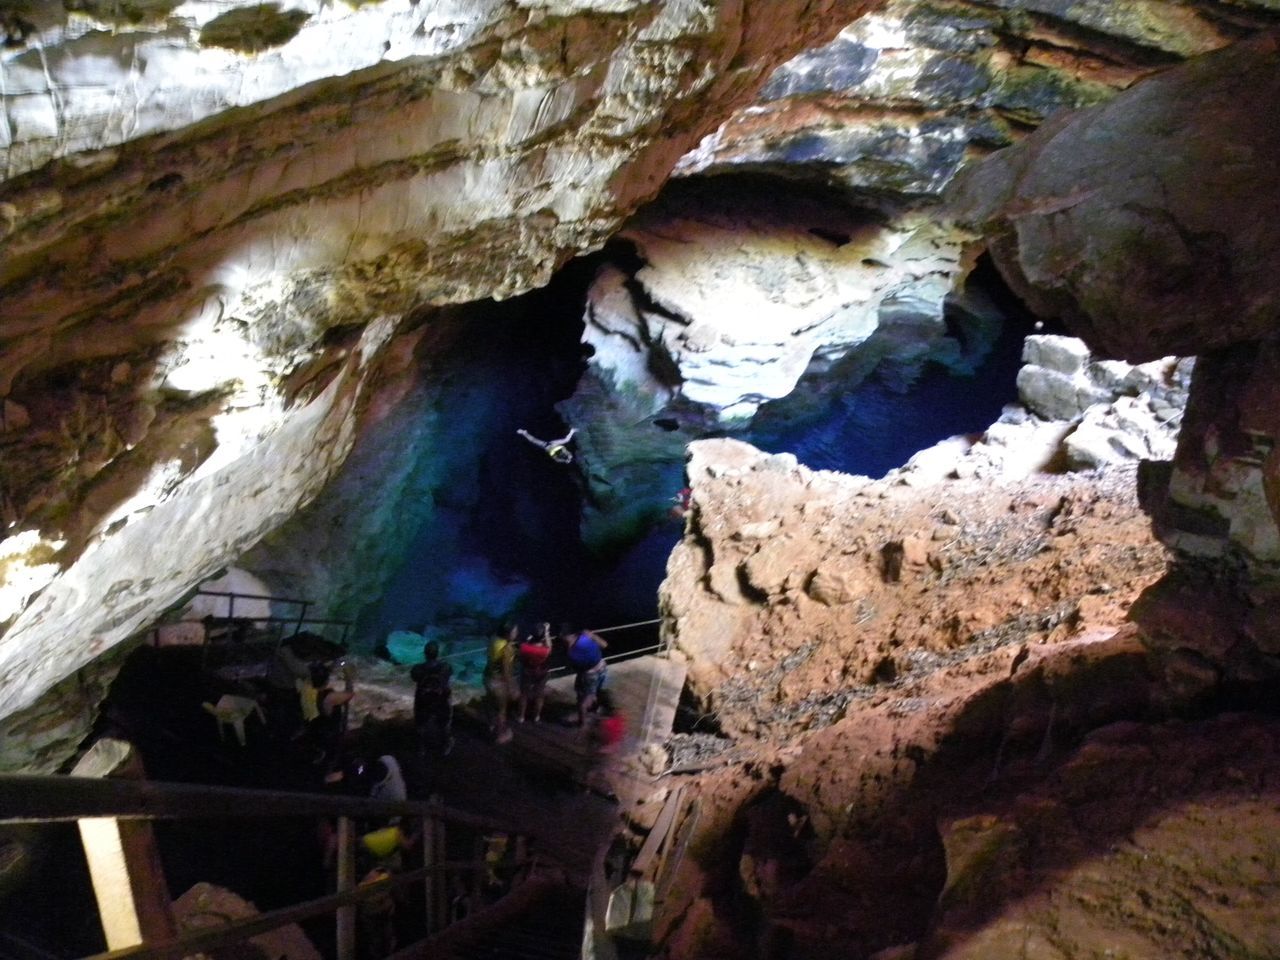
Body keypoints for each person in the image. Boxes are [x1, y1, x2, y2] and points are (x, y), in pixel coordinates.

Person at [298, 662, 354, 770]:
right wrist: (348, 676)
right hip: (327, 737)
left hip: (312, 730)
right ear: (327, 681)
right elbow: (349, 694)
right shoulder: (329, 698)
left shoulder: (305, 690)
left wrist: (330, 667)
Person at [410, 641, 454, 756]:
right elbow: (449, 674)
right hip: (441, 700)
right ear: (437, 653)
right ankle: (445, 746)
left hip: (423, 700)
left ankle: (421, 748)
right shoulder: (446, 667)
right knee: (444, 724)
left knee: (421, 725)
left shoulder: (417, 669)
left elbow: (414, 677)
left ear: (425, 654)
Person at [562, 624, 608, 727]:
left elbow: (572, 667)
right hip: (602, 668)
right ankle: (595, 708)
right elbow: (604, 644)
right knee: (595, 691)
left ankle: (582, 722)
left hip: (589, 675)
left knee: (582, 699)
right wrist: (592, 635)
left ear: (565, 636)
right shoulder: (586, 637)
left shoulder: (571, 652)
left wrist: (568, 648)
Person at [484, 623, 519, 744]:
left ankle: (491, 726)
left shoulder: (493, 639)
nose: (516, 633)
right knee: (501, 709)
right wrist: (512, 687)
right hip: (498, 682)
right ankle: (500, 735)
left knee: (490, 702)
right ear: (507, 634)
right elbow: (506, 670)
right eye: (515, 631)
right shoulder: (507, 649)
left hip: (488, 677)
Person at [516, 622, 554, 724]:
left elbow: (520, 657)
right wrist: (546, 631)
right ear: (542, 637)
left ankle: (521, 717)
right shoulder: (545, 650)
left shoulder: (524, 647)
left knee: (524, 695)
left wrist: (529, 639)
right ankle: (536, 717)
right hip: (541, 673)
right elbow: (549, 645)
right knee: (539, 695)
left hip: (527, 672)